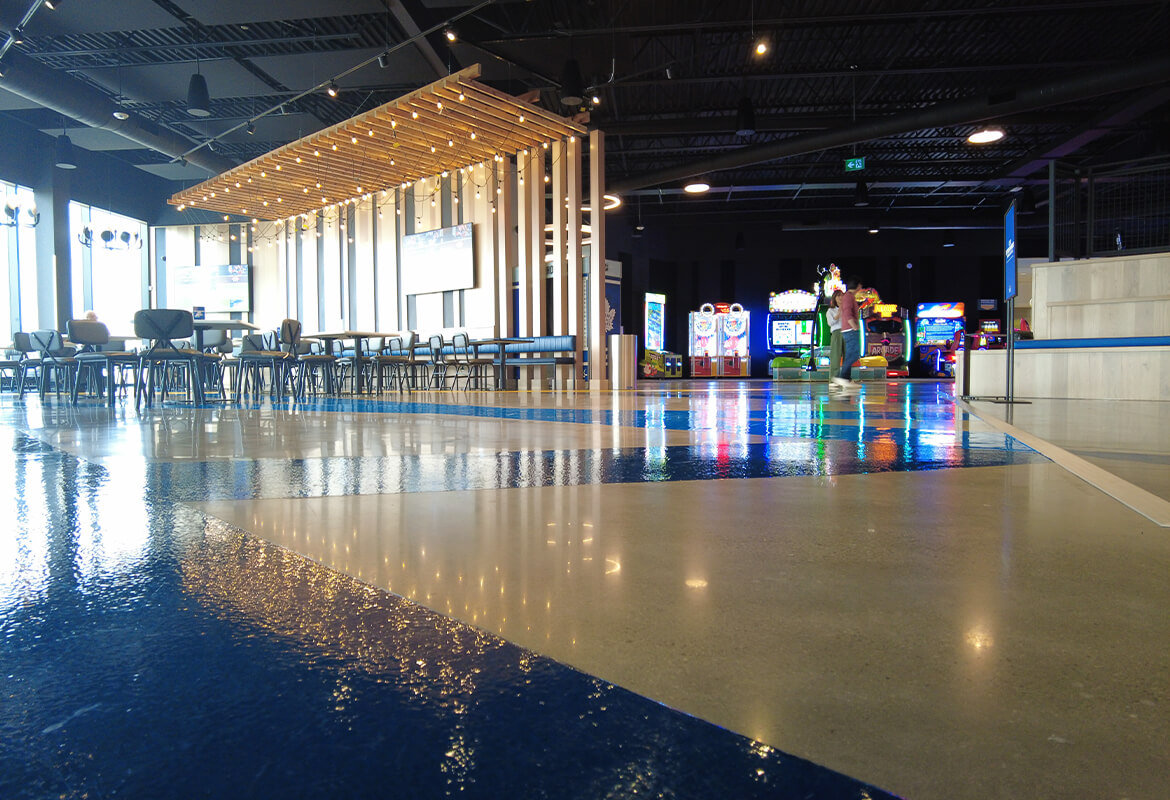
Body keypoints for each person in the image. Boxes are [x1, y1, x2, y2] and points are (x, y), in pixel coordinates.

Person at [832, 281, 863, 390]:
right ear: (857, 286)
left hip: (847, 329)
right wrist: (854, 326)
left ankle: (844, 379)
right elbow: (848, 312)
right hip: (849, 329)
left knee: (850, 354)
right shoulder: (848, 297)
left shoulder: (849, 297)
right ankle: (842, 378)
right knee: (854, 354)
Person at [826, 291, 843, 378]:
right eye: (838, 296)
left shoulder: (847, 309)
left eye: (842, 296)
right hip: (837, 333)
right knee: (836, 357)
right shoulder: (830, 311)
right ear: (834, 298)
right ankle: (834, 379)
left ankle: (846, 378)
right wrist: (839, 312)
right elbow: (831, 323)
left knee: (848, 357)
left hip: (847, 332)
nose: (840, 298)